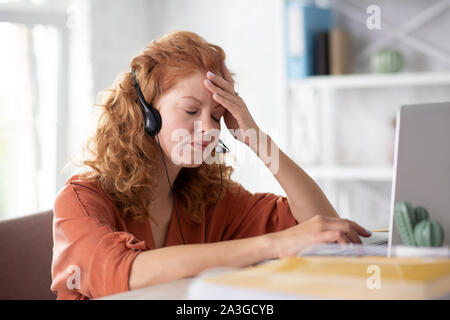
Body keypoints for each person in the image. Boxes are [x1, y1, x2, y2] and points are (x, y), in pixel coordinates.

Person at [51, 30, 371, 300]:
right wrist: (273, 245)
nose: (210, 129)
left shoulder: (207, 197)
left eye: (217, 116)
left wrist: (256, 138)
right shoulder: (80, 199)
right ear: (146, 113)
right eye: (191, 111)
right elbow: (125, 271)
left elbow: (321, 224)